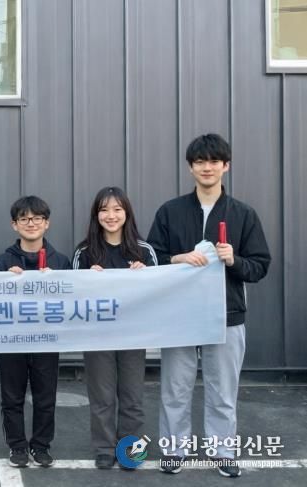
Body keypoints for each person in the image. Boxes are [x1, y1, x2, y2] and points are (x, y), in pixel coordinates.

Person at [147, 133, 271, 478]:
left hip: (226, 316)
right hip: (179, 316)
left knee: (223, 390)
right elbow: (151, 256)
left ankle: (224, 451)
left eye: (214, 161)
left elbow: (260, 265)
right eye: (200, 161)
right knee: (175, 389)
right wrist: (177, 258)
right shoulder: (170, 211)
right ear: (190, 167)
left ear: (225, 166)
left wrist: (235, 260)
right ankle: (174, 450)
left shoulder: (243, 214)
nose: (207, 167)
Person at [72, 186, 157, 469]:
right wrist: (87, 279)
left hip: (133, 335)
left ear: (127, 213)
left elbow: (161, 289)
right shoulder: (84, 252)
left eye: (117, 209)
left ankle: (130, 449)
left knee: (132, 397)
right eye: (104, 210)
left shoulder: (143, 250)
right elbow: (73, 293)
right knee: (102, 396)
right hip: (97, 336)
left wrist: (145, 276)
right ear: (96, 215)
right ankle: (104, 449)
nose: (111, 216)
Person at [0, 196, 71, 468]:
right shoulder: (2, 262)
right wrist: (7, 284)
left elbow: (72, 301)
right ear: (14, 225)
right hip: (11, 340)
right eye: (23, 219)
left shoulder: (60, 261)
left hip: (47, 339)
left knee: (45, 396)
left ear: (47, 223)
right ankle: (17, 446)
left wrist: (54, 283)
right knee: (11, 397)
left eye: (37, 218)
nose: (31, 223)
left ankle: (41, 446)